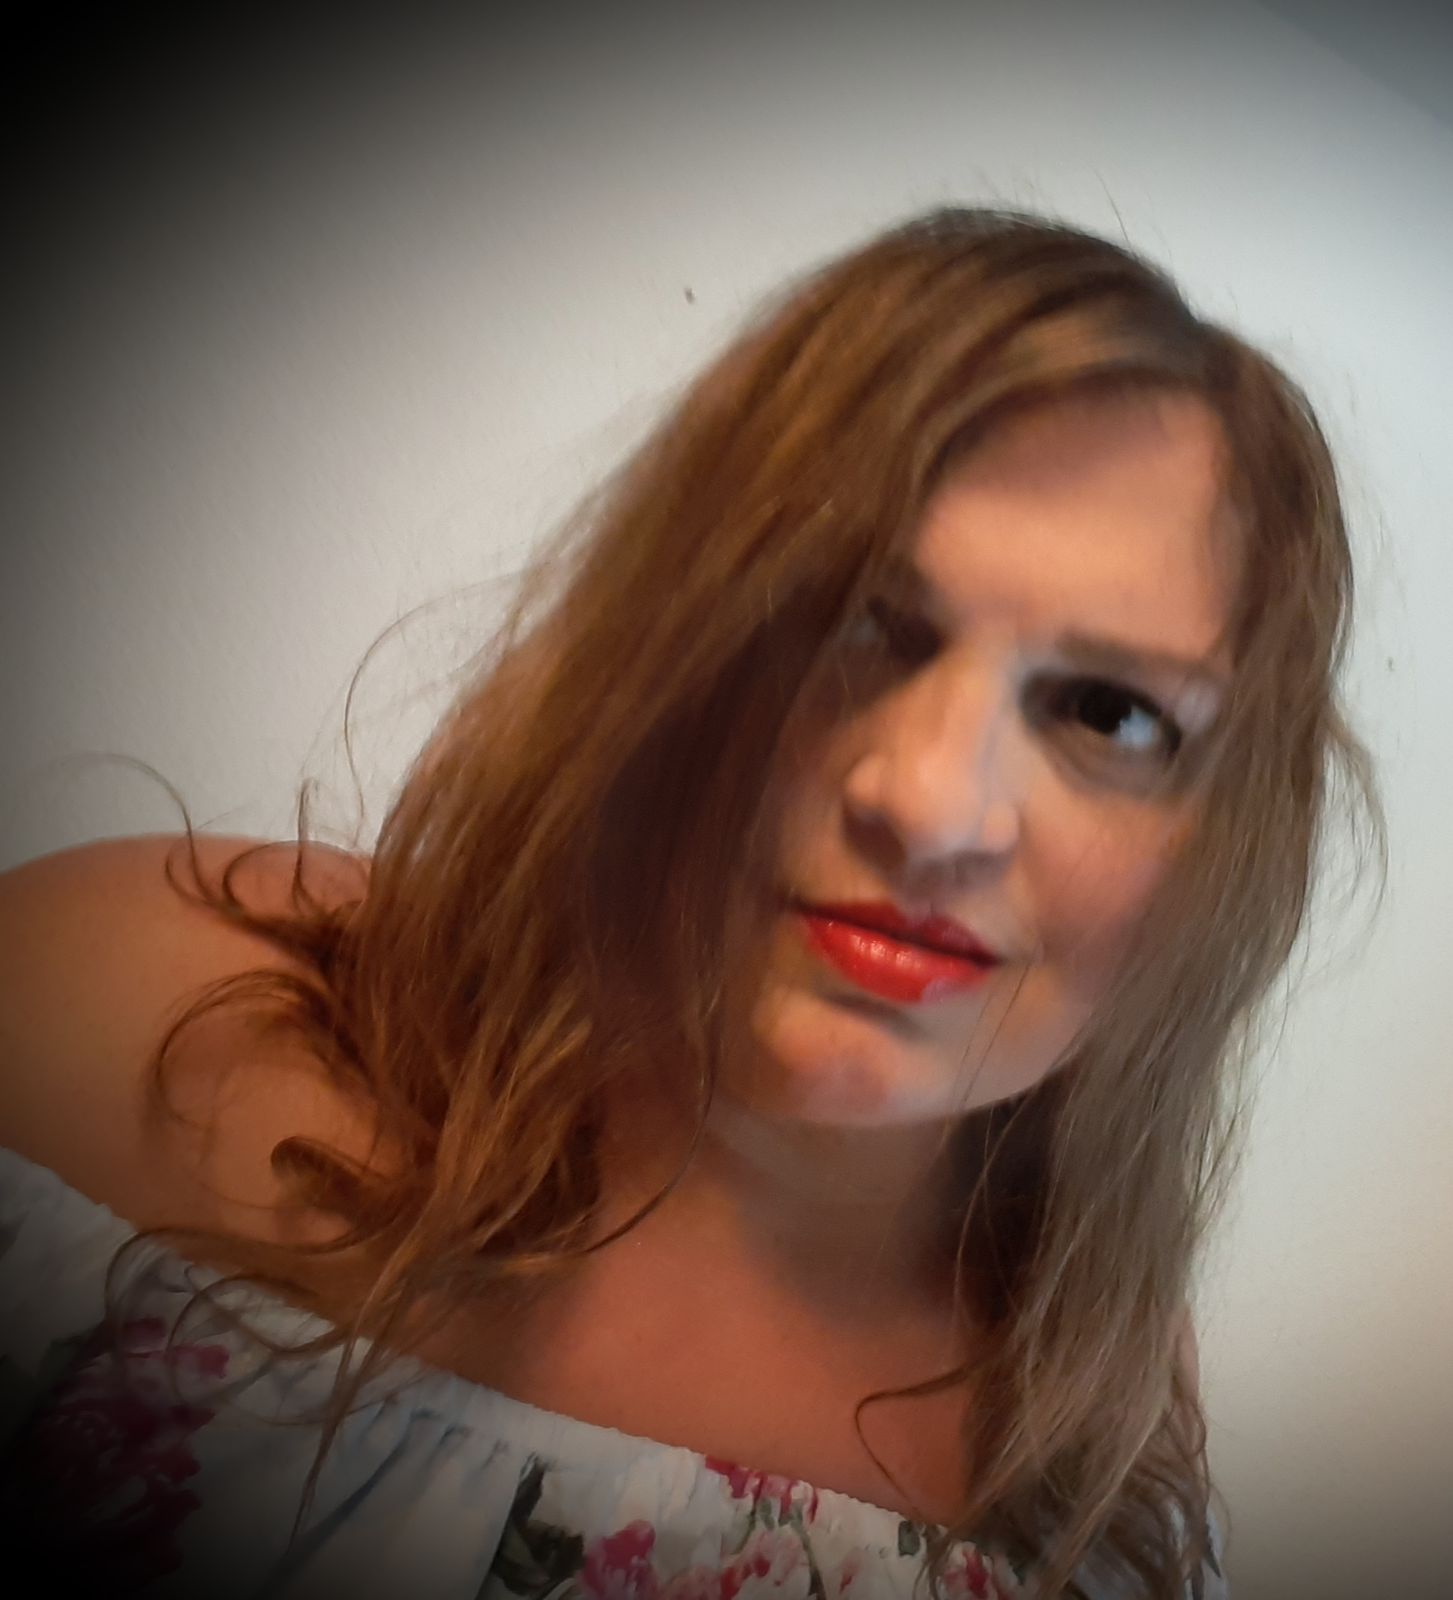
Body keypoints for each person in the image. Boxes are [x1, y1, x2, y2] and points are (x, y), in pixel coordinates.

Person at [0, 207, 1376, 1599]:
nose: (930, 806)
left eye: (1107, 713)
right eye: (851, 618)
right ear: (662, 633)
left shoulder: (1093, 1411)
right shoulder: (122, 1015)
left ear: (1225, 847)